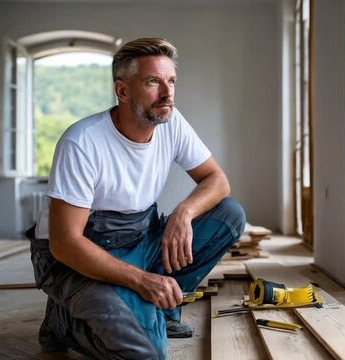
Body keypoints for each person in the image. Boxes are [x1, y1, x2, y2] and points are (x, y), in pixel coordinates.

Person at [28, 37, 246, 359]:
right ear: (123, 91)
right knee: (145, 354)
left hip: (139, 238)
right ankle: (61, 320)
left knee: (229, 215)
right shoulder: (83, 142)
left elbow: (217, 181)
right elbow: (65, 244)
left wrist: (183, 213)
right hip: (77, 257)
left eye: (171, 81)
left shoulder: (171, 122)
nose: (167, 92)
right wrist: (141, 280)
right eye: (153, 82)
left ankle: (163, 309)